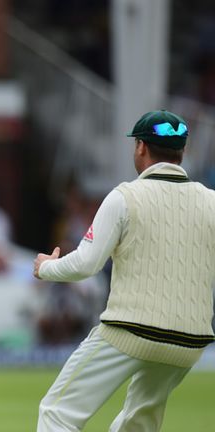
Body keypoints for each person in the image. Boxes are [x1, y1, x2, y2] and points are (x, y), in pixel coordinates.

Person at [33, 110, 215, 431]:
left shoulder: (125, 196)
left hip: (130, 330)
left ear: (141, 147)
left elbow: (87, 264)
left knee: (58, 411)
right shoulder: (211, 200)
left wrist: (47, 267)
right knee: (138, 423)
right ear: (182, 151)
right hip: (191, 340)